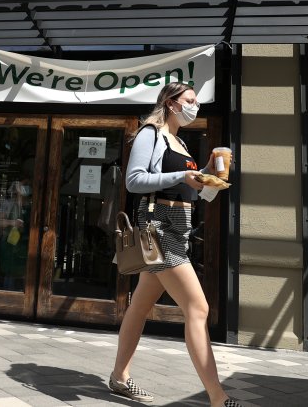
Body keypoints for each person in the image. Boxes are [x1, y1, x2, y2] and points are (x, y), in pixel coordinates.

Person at [109, 82, 241, 407]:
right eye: (190, 101)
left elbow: (190, 190)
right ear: (171, 103)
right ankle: (217, 397)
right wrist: (180, 177)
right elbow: (134, 180)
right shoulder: (149, 133)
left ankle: (118, 377)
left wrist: (209, 174)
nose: (195, 107)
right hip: (158, 226)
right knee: (198, 308)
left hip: (179, 226)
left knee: (140, 305)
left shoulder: (179, 141)